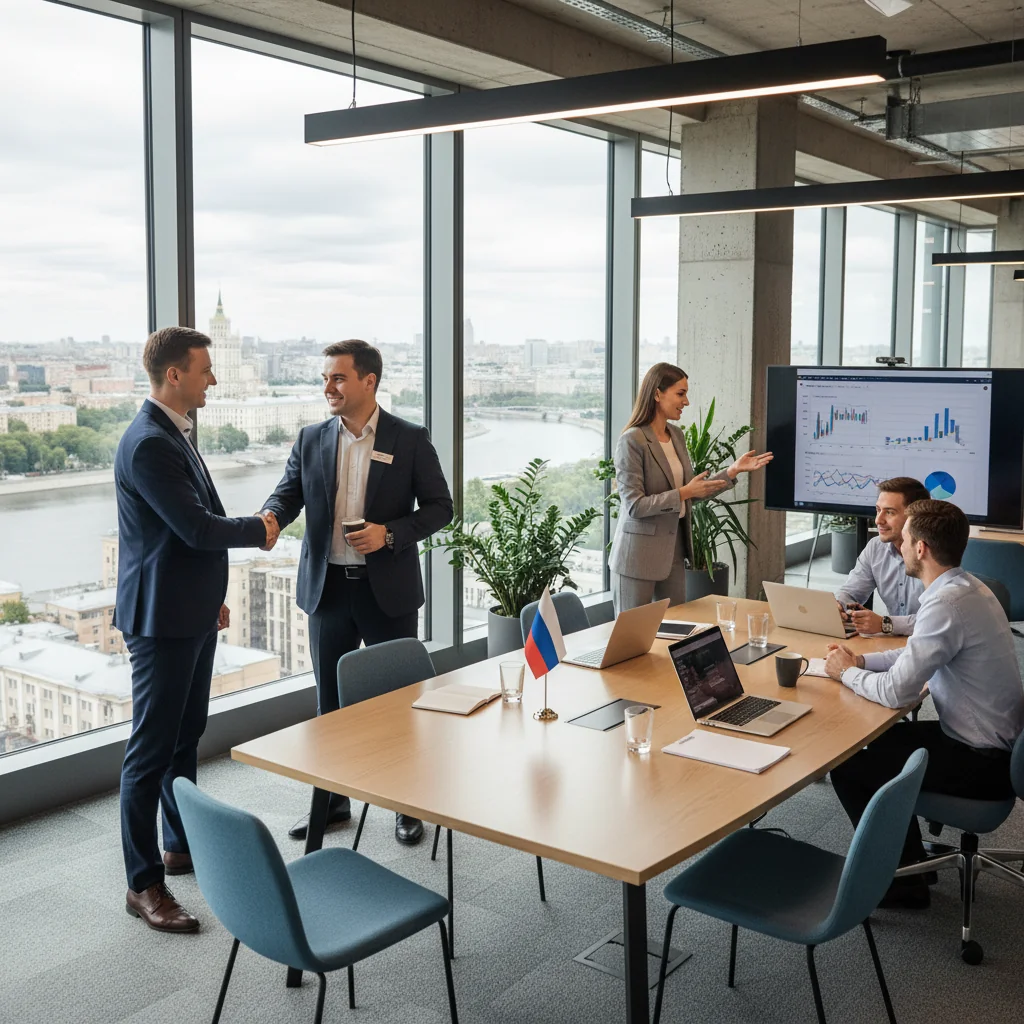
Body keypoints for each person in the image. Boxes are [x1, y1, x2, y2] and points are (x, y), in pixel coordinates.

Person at [115, 326, 280, 933]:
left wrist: (210, 598)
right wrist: (260, 528)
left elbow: (178, 537)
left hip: (186, 610)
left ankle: (178, 844)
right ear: (174, 375)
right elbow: (195, 528)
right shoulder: (149, 444)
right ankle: (143, 884)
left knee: (185, 736)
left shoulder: (173, 432)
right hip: (160, 621)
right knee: (149, 751)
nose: (214, 378)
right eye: (206, 369)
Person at [260, 339, 453, 845]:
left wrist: (388, 534)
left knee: (396, 705)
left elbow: (439, 508)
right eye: (325, 378)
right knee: (331, 706)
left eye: (338, 378)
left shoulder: (409, 438)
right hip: (328, 593)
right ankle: (332, 804)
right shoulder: (311, 438)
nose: (328, 387)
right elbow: (289, 493)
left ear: (369, 381)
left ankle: (403, 805)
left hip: (385, 591)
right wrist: (271, 519)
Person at [825, 499, 1024, 909]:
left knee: (848, 765)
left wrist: (845, 674)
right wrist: (861, 661)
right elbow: (915, 655)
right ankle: (911, 863)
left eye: (905, 538)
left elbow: (898, 691)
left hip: (981, 761)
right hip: (989, 741)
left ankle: (902, 885)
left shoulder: (946, 603)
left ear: (921, 549)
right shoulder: (967, 587)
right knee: (880, 744)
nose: (897, 545)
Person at [608, 362, 772, 613]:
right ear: (657, 394)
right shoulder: (632, 440)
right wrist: (685, 492)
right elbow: (634, 506)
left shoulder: (676, 436)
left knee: (674, 633)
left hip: (673, 553)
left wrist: (732, 471)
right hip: (637, 558)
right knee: (632, 641)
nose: (686, 402)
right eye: (680, 394)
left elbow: (691, 492)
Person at [834, 476, 930, 636]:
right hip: (891, 643)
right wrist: (839, 606)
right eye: (878, 510)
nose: (878, 520)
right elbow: (851, 592)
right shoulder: (876, 547)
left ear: (915, 517)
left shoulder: (934, 554)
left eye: (890, 512)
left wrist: (885, 623)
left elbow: (937, 619)